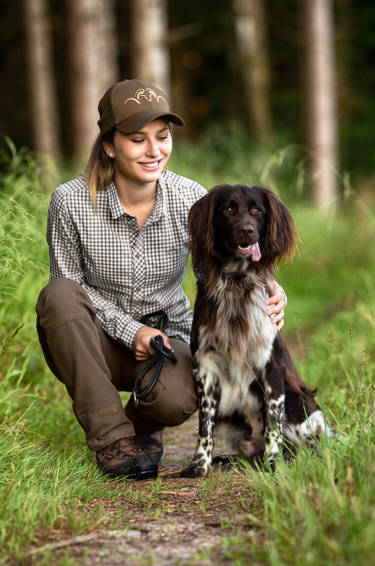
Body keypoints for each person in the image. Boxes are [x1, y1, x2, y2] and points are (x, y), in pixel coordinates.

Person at [36, 79, 286, 481]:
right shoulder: (70, 201)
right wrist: (130, 329)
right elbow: (68, 284)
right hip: (90, 342)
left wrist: (272, 291)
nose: (154, 151)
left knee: (181, 396)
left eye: (163, 137)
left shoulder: (192, 199)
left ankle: (143, 428)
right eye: (137, 139)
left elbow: (216, 272)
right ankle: (114, 440)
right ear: (109, 145)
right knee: (58, 296)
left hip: (165, 344)